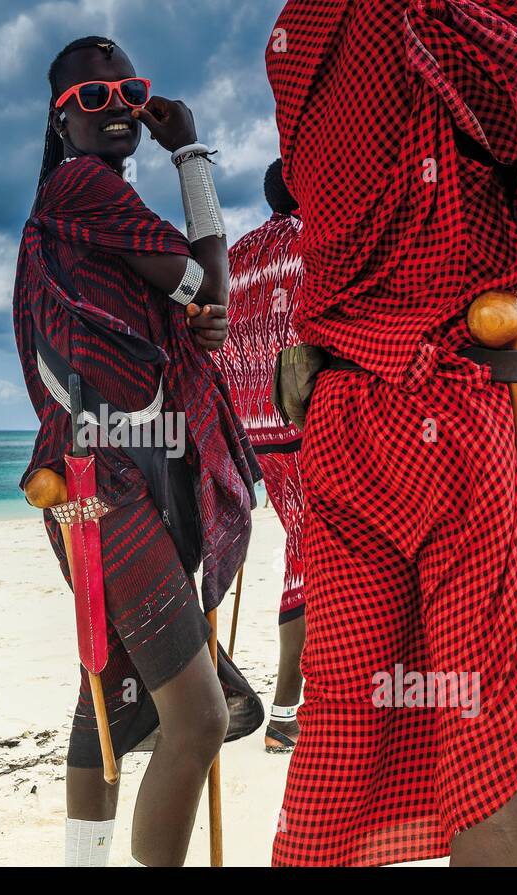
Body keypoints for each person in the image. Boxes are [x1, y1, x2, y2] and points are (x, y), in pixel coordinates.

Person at [265, 0, 517, 866]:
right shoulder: (473, 11)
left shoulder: (296, 33)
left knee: (345, 725)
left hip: (345, 418)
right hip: (462, 400)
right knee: (489, 734)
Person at [14, 36, 264, 866]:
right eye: (93, 97)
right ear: (61, 119)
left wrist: (194, 309)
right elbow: (208, 285)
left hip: (91, 471)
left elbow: (196, 301)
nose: (117, 106)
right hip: (108, 477)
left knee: (113, 695)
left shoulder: (83, 210)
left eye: (130, 90)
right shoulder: (83, 187)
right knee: (196, 718)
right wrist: (189, 150)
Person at [211, 159, 307, 753]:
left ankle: (297, 707)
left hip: (252, 429)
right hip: (312, 422)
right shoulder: (317, 242)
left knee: (307, 550)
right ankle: (287, 713)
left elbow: (213, 338)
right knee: (312, 558)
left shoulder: (242, 254)